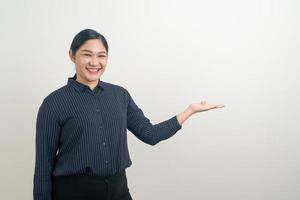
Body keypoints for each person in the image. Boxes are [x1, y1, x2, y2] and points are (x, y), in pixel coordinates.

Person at [33, 29, 225, 200]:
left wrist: (189, 111)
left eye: (102, 56)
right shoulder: (54, 103)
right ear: (72, 56)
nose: (95, 62)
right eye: (87, 55)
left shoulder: (120, 95)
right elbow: (43, 167)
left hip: (118, 191)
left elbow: (150, 134)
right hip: (73, 193)